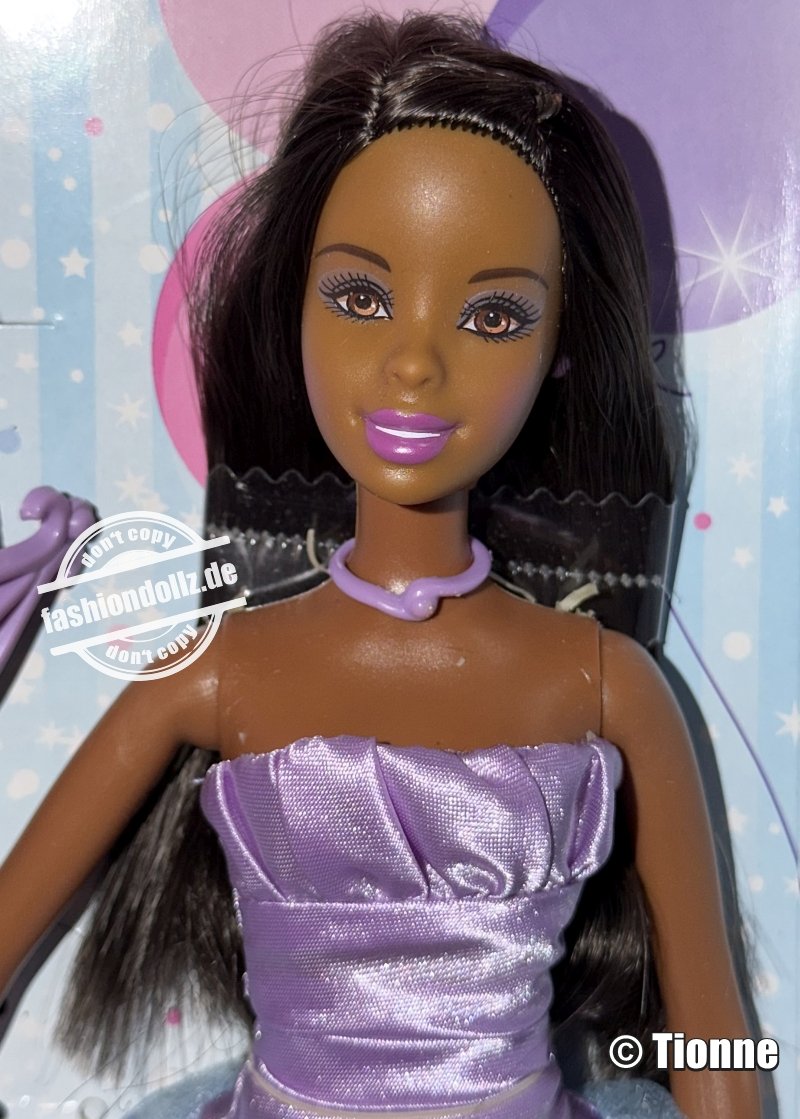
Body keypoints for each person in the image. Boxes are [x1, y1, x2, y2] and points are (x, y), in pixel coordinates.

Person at [0, 12, 761, 1119]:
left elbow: (715, 1041)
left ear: (560, 348)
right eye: (359, 297)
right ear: (293, 306)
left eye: (492, 315)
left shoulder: (606, 685)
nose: (413, 361)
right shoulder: (212, 671)